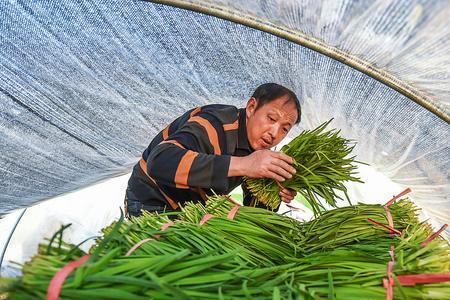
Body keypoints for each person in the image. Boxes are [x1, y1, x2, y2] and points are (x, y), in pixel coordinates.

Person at [124, 83, 301, 217]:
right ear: (251, 107)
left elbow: (254, 210)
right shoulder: (215, 122)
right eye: (271, 118)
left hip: (191, 210)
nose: (274, 133)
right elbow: (160, 162)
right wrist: (244, 165)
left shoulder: (257, 149)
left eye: (285, 129)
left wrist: (273, 193)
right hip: (151, 200)